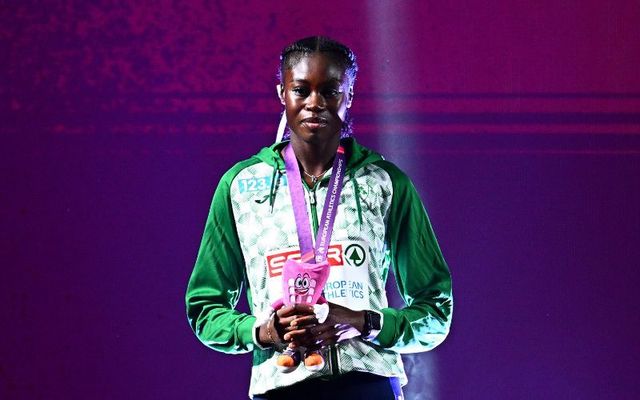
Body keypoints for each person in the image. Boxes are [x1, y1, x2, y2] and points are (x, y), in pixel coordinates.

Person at [186, 36, 453, 399]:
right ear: (282, 93)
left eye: (330, 90)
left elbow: (436, 310)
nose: (315, 103)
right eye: (301, 90)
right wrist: (265, 331)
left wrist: (366, 323)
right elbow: (205, 309)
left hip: (368, 384)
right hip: (282, 385)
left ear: (350, 95)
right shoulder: (240, 187)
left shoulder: (386, 183)